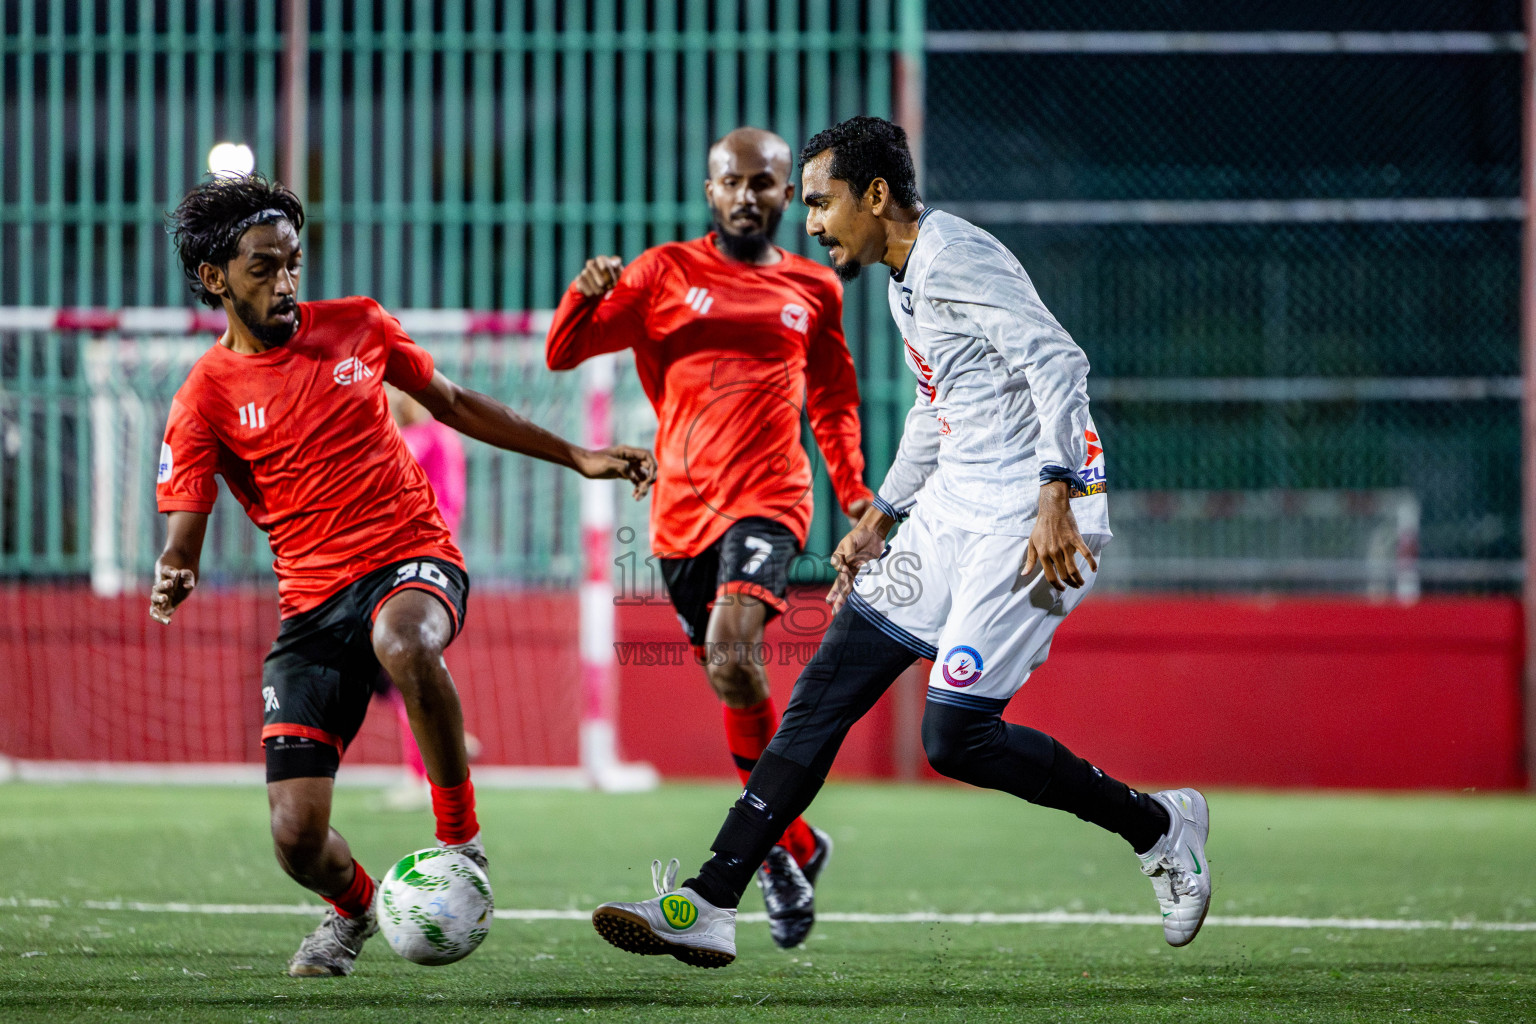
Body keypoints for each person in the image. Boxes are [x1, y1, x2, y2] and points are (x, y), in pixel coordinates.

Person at [590, 116, 1211, 969]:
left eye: (821, 202)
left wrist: (1058, 494)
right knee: (821, 694)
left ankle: (1160, 824)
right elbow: (938, 402)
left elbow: (1059, 363)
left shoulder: (959, 258)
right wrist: (883, 513)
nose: (809, 222)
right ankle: (709, 899)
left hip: (1028, 519)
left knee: (955, 738)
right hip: (955, 511)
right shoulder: (903, 276)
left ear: (876, 195)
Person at [151, 174, 654, 977]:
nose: (285, 283)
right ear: (215, 279)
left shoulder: (358, 326)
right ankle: (357, 908)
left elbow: (451, 402)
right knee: (295, 837)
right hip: (311, 611)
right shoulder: (203, 398)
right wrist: (176, 569)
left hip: (411, 556)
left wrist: (577, 454)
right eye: (262, 268)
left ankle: (462, 843)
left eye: (293, 263)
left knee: (406, 639)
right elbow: (185, 528)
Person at [545, 127, 873, 949]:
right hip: (680, 515)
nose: (749, 196)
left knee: (733, 655)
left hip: (770, 499)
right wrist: (581, 296)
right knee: (729, 683)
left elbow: (832, 401)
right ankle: (793, 845)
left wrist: (857, 494)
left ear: (786, 198)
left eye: (766, 183)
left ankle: (757, 863)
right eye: (734, 182)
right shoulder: (663, 273)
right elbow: (564, 353)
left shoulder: (812, 288)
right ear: (710, 190)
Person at [374, 385, 471, 812]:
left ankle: (423, 774)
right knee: (393, 675)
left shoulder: (438, 438)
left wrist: (429, 552)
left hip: (421, 563)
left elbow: (450, 503)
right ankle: (446, 735)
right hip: (382, 563)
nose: (394, 401)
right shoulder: (389, 438)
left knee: (407, 671)